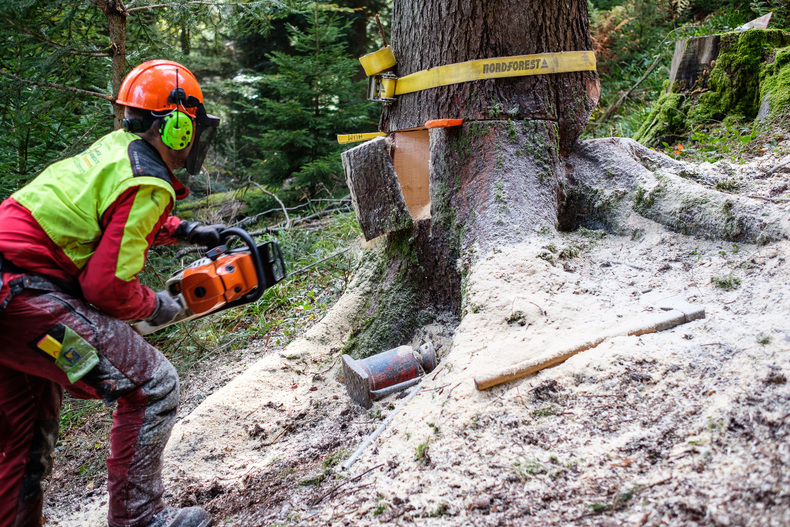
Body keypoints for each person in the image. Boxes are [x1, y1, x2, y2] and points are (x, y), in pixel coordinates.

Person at [0, 60, 223, 527]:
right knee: (152, 383)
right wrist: (158, 306)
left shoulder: (119, 150)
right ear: (179, 125)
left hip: (11, 297)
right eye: (194, 125)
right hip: (24, 296)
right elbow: (105, 286)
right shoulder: (148, 179)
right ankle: (139, 519)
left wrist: (190, 231)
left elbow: (116, 213)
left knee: (23, 440)